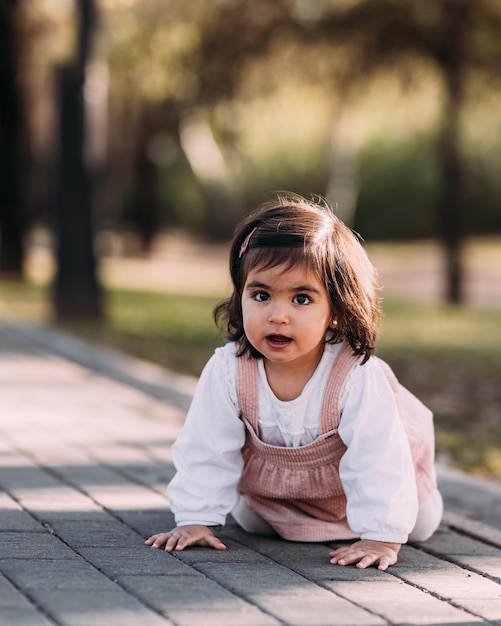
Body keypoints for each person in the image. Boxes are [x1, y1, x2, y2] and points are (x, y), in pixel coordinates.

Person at [145, 192, 443, 571]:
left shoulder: (353, 375)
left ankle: (388, 521)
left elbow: (379, 456)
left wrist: (381, 537)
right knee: (250, 521)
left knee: (417, 523)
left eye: (301, 299)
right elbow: (205, 446)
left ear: (335, 310)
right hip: (278, 502)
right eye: (261, 295)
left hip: (363, 497)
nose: (278, 316)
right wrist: (195, 518)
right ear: (240, 297)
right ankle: (291, 521)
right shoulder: (229, 370)